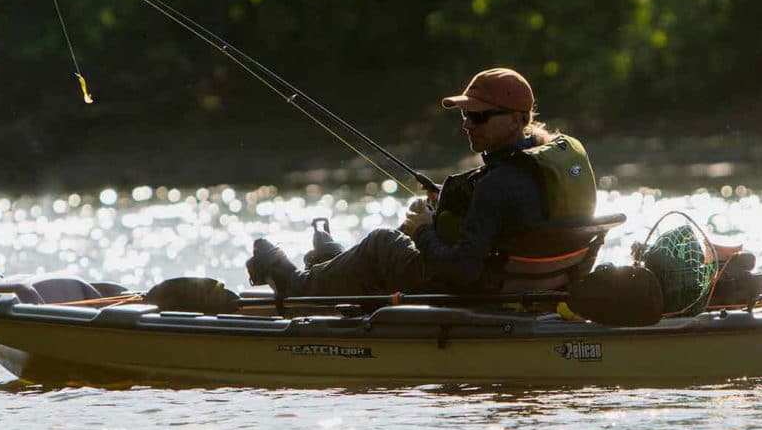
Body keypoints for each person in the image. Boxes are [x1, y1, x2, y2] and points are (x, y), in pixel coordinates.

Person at [246, 67, 597, 296]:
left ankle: (294, 285)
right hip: (537, 284)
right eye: (464, 114)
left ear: (517, 119)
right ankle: (331, 268)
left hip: (477, 290)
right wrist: (449, 202)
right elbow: (514, 211)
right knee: (390, 243)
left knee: (383, 242)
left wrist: (423, 230)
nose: (467, 124)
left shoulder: (498, 183)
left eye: (479, 116)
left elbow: (460, 270)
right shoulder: (547, 167)